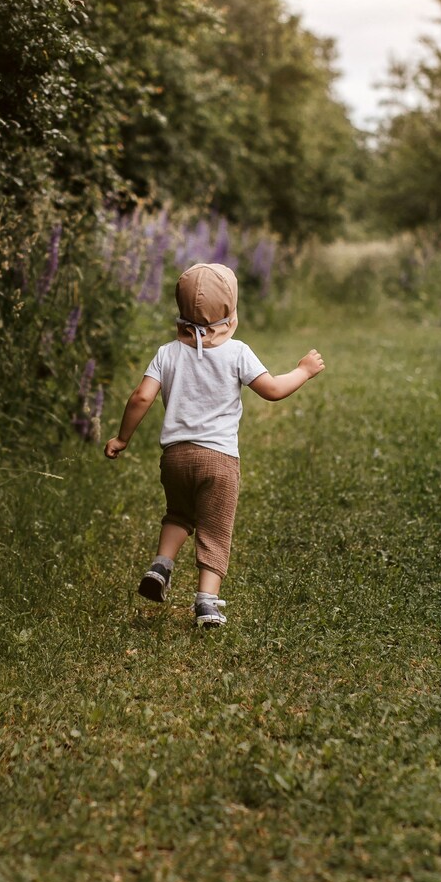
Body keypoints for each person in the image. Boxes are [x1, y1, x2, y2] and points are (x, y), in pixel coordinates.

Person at [104, 262, 325, 627]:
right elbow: (271, 390)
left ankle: (161, 566)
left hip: (175, 458)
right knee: (215, 529)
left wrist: (122, 438)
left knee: (178, 514)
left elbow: (141, 398)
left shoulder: (166, 353)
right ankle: (206, 603)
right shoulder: (237, 352)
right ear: (231, 311)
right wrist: (303, 370)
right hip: (220, 460)